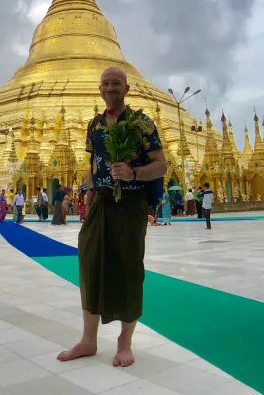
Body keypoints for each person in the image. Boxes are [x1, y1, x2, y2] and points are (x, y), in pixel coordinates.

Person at [58, 66, 167, 369]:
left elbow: (161, 165)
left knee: (129, 267)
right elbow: (93, 165)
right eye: (105, 83)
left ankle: (125, 341)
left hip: (131, 201)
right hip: (101, 202)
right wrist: (89, 199)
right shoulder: (94, 125)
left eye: (116, 83)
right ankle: (89, 339)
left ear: (126, 89)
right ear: (100, 88)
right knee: (89, 264)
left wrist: (134, 172)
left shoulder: (142, 124)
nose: (110, 87)